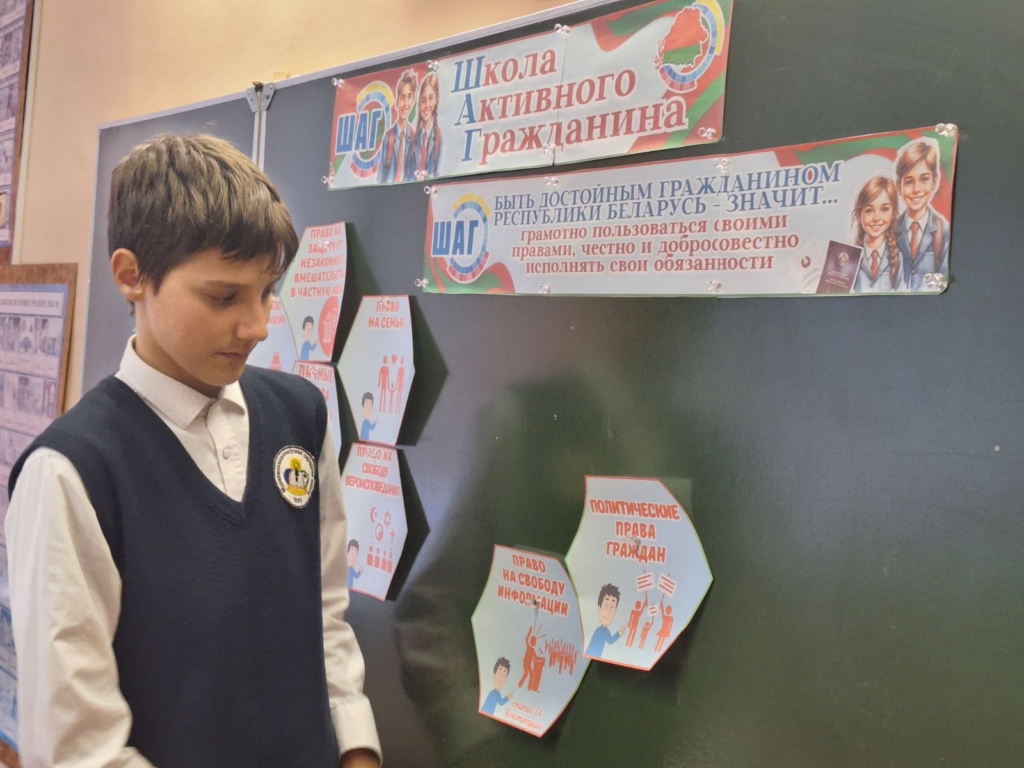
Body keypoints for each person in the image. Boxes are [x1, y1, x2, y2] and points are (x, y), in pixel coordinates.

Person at [4, 135, 381, 768]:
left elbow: (324, 618)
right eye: (223, 297)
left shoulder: (300, 416)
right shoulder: (71, 472)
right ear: (132, 276)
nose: (258, 325)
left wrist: (357, 749)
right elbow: (78, 748)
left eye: (268, 292)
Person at [895, 139, 950, 291]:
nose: (916, 189)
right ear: (898, 186)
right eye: (908, 182)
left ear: (935, 182)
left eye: (924, 179)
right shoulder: (890, 231)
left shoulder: (943, 231)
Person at [851, 176, 903, 292]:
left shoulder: (898, 257)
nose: (876, 218)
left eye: (884, 209)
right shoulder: (850, 257)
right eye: (869, 211)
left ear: (893, 213)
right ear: (859, 214)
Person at [378, 68, 418, 184]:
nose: (406, 103)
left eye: (410, 97)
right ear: (397, 101)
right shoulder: (389, 137)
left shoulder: (413, 137)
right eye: (402, 97)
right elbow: (380, 178)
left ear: (413, 100)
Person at [409, 72, 442, 180]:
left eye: (431, 98)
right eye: (423, 101)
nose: (427, 105)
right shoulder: (414, 139)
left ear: (436, 100)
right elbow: (408, 173)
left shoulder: (438, 137)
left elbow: (439, 173)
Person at [585, 583, 628, 659]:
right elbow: (591, 643)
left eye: (612, 608)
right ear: (599, 608)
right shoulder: (597, 630)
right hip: (590, 656)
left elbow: (610, 641)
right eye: (606, 606)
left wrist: (619, 633)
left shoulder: (606, 632)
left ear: (615, 611)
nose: (608, 612)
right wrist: (586, 654)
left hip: (597, 658)